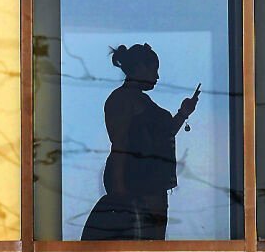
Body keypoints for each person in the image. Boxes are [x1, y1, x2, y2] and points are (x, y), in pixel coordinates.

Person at [80, 43, 200, 241]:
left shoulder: (139, 100)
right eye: (154, 69)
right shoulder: (123, 99)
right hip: (137, 181)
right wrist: (119, 191)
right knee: (141, 238)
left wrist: (183, 112)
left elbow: (165, 133)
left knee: (150, 239)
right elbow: (119, 144)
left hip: (151, 183)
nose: (157, 77)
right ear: (140, 68)